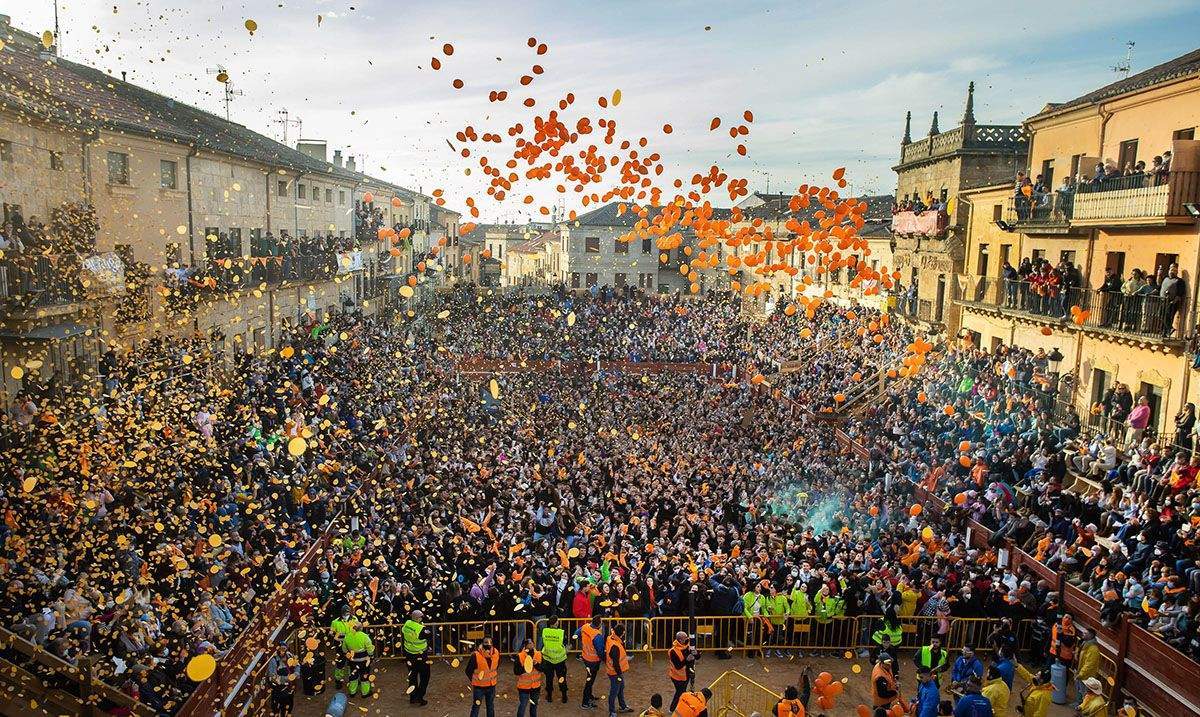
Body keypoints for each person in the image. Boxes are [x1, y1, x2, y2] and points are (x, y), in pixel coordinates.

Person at [402, 609, 430, 706]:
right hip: (420, 655)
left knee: (412, 676)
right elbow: (429, 634)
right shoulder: (420, 629)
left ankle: (413, 697)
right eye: (422, 617)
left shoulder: (407, 623)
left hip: (409, 655)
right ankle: (420, 697)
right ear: (418, 618)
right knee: (425, 676)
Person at [467, 636, 501, 717]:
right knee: (476, 707)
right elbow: (468, 671)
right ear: (482, 643)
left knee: (490, 706)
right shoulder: (475, 655)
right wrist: (475, 680)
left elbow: (496, 666)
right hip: (479, 687)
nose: (488, 644)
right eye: (486, 642)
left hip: (491, 686)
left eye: (490, 642)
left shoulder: (496, 653)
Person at [540, 614, 569, 704]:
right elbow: (565, 643)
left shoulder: (545, 631)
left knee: (549, 678)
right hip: (560, 660)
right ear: (556, 623)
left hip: (548, 659)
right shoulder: (561, 632)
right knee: (561, 678)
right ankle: (564, 697)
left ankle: (549, 696)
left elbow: (543, 642)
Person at [606, 622, 633, 717]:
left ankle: (622, 706)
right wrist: (619, 674)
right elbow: (616, 663)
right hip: (615, 673)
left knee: (620, 688)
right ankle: (612, 711)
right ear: (621, 633)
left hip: (613, 671)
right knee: (614, 692)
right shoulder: (615, 646)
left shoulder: (610, 638)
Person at [342, 622, 375, 698]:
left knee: (353, 675)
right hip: (364, 661)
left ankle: (352, 692)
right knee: (364, 675)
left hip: (352, 661)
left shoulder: (347, 636)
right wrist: (371, 656)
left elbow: (344, 649)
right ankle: (365, 693)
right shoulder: (365, 636)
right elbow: (370, 649)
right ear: (361, 628)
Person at [667, 631, 696, 712]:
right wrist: (687, 660)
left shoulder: (688, 645)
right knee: (680, 692)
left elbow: (695, 657)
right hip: (677, 677)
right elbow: (678, 666)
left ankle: (679, 707)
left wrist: (696, 654)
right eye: (685, 638)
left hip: (687, 674)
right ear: (680, 640)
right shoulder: (673, 651)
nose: (687, 639)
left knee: (682, 692)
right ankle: (673, 708)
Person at [580, 615, 605, 709]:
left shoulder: (585, 627)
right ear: (599, 624)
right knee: (590, 681)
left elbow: (576, 633)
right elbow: (600, 651)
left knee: (589, 679)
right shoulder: (597, 636)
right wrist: (606, 660)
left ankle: (589, 696)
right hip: (593, 661)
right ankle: (585, 702)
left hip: (586, 657)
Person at [266, 642, 297, 715]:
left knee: (289, 704)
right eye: (281, 649)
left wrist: (296, 672)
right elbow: (272, 676)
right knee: (278, 707)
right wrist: (286, 679)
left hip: (289, 686)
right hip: (279, 688)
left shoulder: (289, 655)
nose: (282, 651)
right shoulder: (274, 660)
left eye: (284, 649)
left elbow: (296, 665)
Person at [329, 605, 356, 690]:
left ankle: (352, 679)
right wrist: (336, 635)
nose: (346, 615)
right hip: (339, 646)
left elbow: (358, 631)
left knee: (351, 663)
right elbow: (331, 633)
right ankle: (338, 681)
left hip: (351, 646)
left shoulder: (354, 619)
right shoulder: (335, 622)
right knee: (340, 664)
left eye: (348, 613)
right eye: (345, 613)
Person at [515, 638, 543, 717]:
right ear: (525, 646)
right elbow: (516, 671)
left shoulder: (539, 654)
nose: (531, 646)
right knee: (523, 705)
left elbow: (543, 668)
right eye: (529, 644)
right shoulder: (520, 656)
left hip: (535, 687)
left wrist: (536, 664)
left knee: (534, 705)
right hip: (524, 687)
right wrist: (526, 667)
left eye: (532, 644)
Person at [1073, 627, 1099, 709]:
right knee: (1079, 689)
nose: (1083, 634)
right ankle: (1079, 704)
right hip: (1080, 671)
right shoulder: (1084, 643)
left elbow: (1089, 665)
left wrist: (1081, 674)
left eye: (1085, 633)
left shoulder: (1093, 649)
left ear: (1091, 635)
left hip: (1086, 676)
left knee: (1085, 693)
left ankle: (1085, 708)